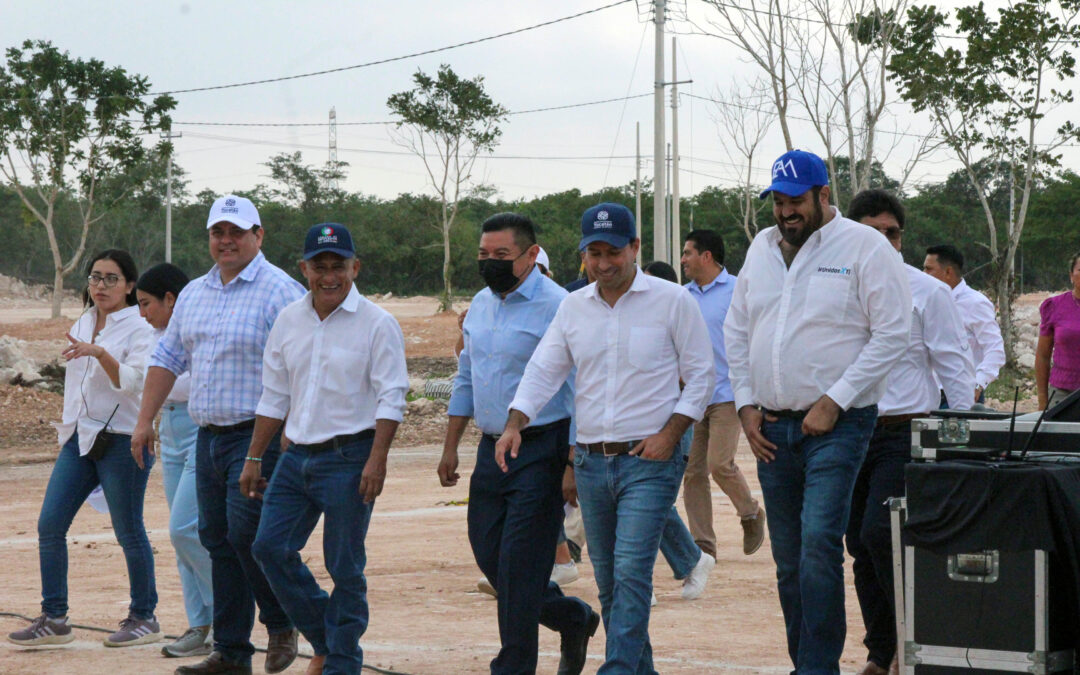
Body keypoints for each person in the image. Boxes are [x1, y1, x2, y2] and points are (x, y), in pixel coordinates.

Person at [498, 203, 715, 674]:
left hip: (651, 461)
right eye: (592, 253)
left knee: (632, 572)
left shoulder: (672, 301)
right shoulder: (573, 307)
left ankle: (615, 669)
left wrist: (670, 433)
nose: (602, 263)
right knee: (613, 582)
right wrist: (515, 422)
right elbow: (544, 371)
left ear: (635, 247)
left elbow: (702, 377)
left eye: (612, 251)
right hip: (594, 463)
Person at [725, 150, 911, 674]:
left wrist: (836, 399)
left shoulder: (866, 247)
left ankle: (816, 669)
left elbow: (893, 333)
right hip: (770, 430)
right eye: (779, 202)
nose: (786, 213)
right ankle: (805, 663)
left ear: (823, 196)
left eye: (796, 202)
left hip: (838, 425)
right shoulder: (761, 249)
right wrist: (744, 404)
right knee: (789, 561)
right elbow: (737, 332)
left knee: (818, 548)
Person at [132, 195, 305, 675]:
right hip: (207, 437)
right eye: (217, 233)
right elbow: (167, 359)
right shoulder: (194, 294)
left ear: (259, 235)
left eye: (237, 232)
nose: (226, 241)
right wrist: (144, 421)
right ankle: (231, 652)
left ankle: (280, 619)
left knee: (249, 537)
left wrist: (291, 434)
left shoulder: (281, 292)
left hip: (259, 437)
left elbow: (301, 366)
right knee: (216, 538)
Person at [439, 213, 600, 675]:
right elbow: (466, 375)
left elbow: (578, 386)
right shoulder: (481, 305)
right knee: (490, 555)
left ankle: (512, 666)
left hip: (542, 447)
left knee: (519, 564)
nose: (489, 264)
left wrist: (570, 460)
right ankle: (572, 617)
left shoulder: (560, 306)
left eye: (501, 256)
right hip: (491, 447)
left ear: (531, 255)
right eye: (483, 255)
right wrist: (450, 445)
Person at [245, 224, 409, 675]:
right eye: (320, 266)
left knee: (345, 565)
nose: (330, 275)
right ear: (305, 269)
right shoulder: (288, 320)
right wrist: (255, 456)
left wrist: (378, 459)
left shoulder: (378, 323)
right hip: (295, 457)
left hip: (350, 458)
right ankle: (328, 637)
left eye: (339, 266)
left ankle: (341, 663)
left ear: (355, 267)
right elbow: (274, 394)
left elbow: (392, 395)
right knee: (269, 548)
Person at [845, 190, 975, 675]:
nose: (884, 241)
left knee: (883, 535)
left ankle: (910, 644)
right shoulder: (833, 288)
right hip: (846, 431)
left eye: (892, 232)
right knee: (857, 544)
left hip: (906, 432)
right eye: (872, 231)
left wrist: (964, 443)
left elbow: (956, 372)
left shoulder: (929, 292)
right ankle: (881, 653)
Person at [8, 250, 161, 648]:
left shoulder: (141, 327)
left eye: (112, 278)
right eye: (95, 277)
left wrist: (101, 353)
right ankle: (55, 618)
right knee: (50, 525)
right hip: (80, 438)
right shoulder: (83, 321)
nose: (101, 286)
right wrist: (68, 433)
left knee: (129, 530)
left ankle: (144, 616)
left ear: (130, 285)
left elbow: (135, 383)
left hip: (124, 441)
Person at [136, 263, 215, 659]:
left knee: (183, 528)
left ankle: (228, 616)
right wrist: (147, 419)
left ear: (172, 299)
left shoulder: (196, 327)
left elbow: (183, 380)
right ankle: (200, 625)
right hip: (169, 428)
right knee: (187, 538)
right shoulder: (153, 334)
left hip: (201, 426)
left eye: (147, 303)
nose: (142, 312)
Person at [679, 229, 766, 561]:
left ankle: (751, 513)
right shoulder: (681, 296)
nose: (683, 259)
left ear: (707, 256)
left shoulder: (736, 291)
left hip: (729, 391)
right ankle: (704, 546)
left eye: (688, 253)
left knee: (719, 464)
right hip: (693, 395)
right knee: (693, 472)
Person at [640, 260, 714, 602]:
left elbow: (695, 375)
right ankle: (690, 562)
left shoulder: (680, 318)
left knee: (648, 502)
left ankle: (645, 577)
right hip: (633, 424)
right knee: (639, 501)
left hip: (671, 422)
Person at [923, 244, 1006, 402]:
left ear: (948, 272)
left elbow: (995, 349)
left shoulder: (975, 303)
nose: (923, 274)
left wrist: (978, 383)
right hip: (926, 394)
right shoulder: (925, 301)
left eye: (929, 269)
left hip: (959, 395)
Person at [1036, 252, 1080, 410]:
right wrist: (1042, 400)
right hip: (1062, 393)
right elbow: (1042, 356)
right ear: (1071, 275)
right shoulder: (1055, 306)